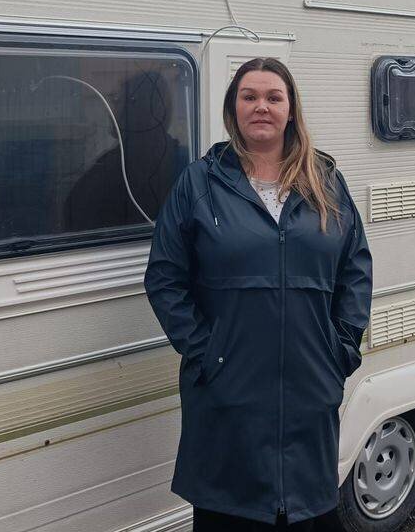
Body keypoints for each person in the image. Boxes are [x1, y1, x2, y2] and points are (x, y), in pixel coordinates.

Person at [144, 57, 372, 530]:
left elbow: (355, 267)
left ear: (291, 109)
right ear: (234, 108)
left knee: (310, 514)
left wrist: (341, 347)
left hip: (310, 387)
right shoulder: (201, 183)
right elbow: (165, 278)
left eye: (273, 97)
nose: (261, 107)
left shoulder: (325, 181)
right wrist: (208, 352)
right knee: (232, 512)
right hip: (228, 391)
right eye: (249, 97)